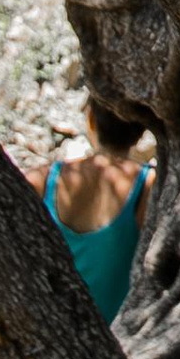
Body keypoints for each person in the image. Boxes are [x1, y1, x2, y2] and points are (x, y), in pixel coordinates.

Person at [41, 95, 154, 328]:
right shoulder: (149, 185)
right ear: (142, 130)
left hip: (52, 335)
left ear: (90, 120)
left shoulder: (41, 181)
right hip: (119, 341)